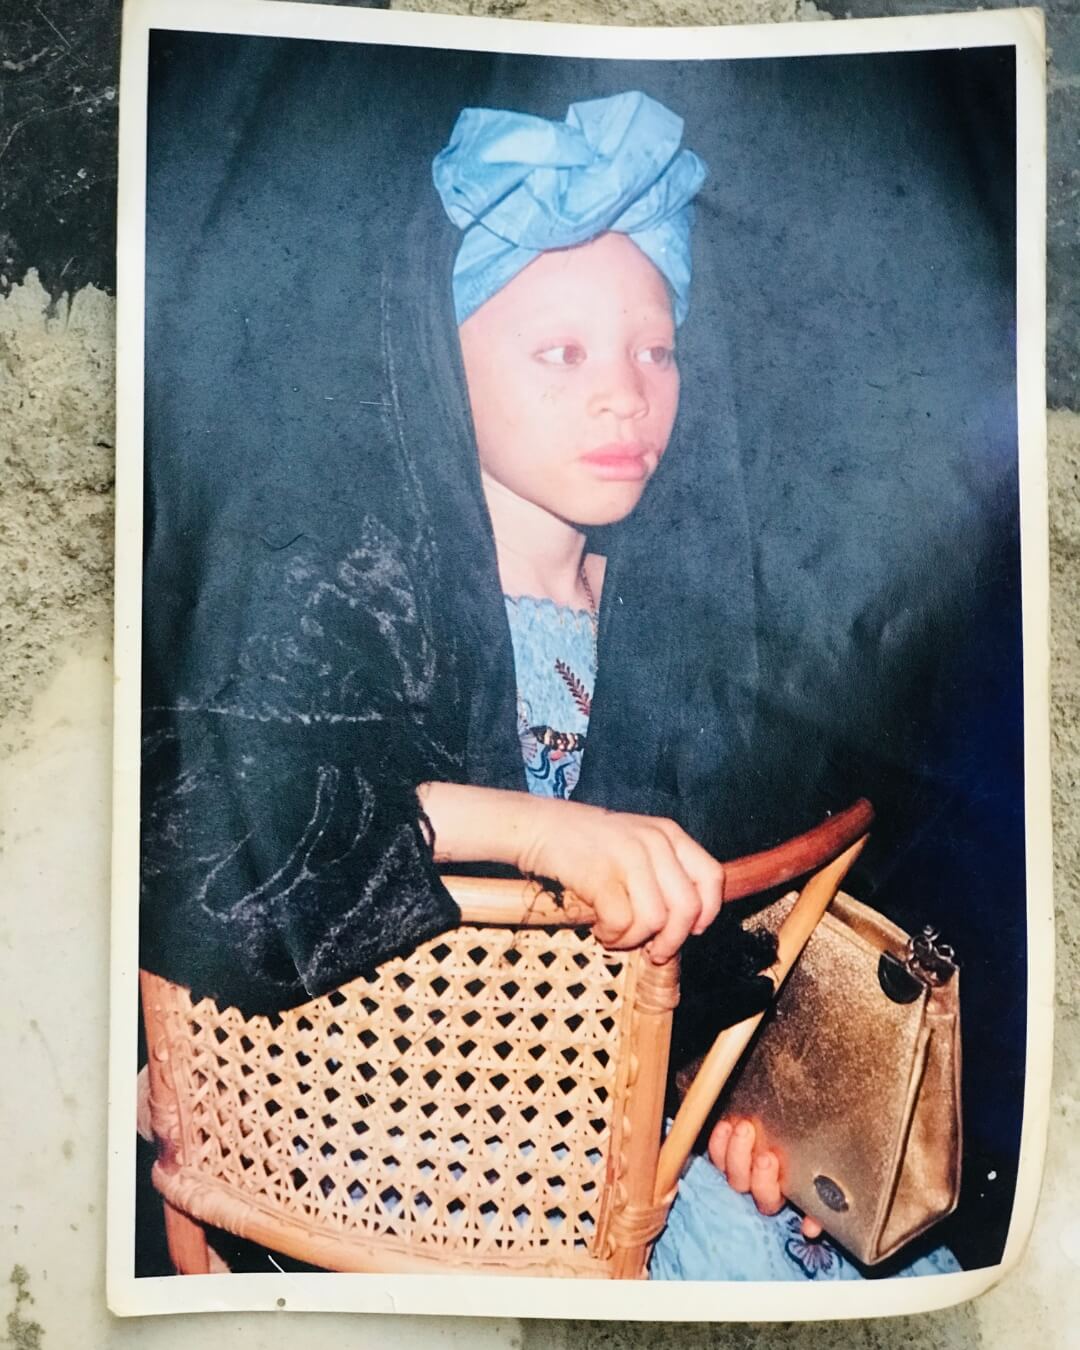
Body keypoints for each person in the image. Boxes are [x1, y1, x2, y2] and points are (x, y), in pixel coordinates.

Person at [140, 89, 957, 1280]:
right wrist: (541, 830)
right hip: (385, 1138)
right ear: (438, 359)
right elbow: (215, 834)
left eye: (654, 347)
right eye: (560, 351)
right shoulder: (358, 593)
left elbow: (733, 948)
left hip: (618, 1148)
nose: (626, 391)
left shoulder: (677, 633)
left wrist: (737, 1108)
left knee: (776, 1248)